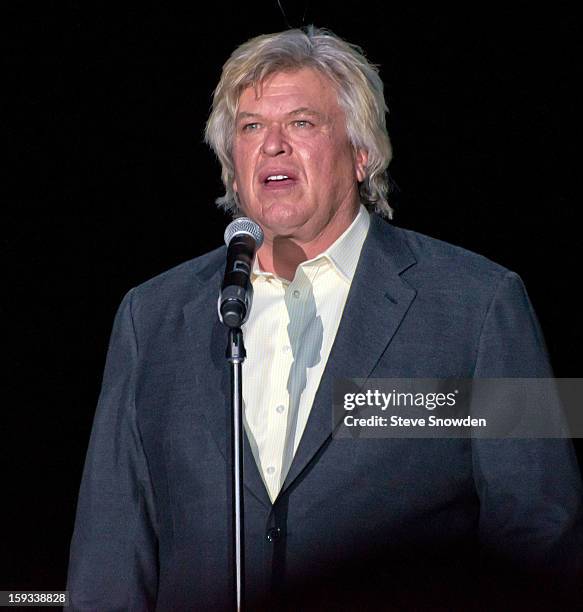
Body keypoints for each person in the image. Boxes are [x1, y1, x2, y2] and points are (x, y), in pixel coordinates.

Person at [67, 26, 582, 610]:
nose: (273, 145)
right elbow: (108, 556)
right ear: (231, 162)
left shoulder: (481, 303)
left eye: (303, 123)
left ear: (362, 154)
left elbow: (544, 534)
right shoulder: (151, 316)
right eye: (251, 127)